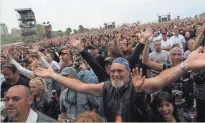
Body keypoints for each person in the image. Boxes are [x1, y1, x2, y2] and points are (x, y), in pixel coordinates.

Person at [34, 47, 205, 122]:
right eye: (113, 71)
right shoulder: (106, 87)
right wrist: (53, 75)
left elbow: (162, 79)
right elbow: (80, 86)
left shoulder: (138, 84)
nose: (115, 74)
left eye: (120, 71)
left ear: (128, 72)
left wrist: (185, 65)